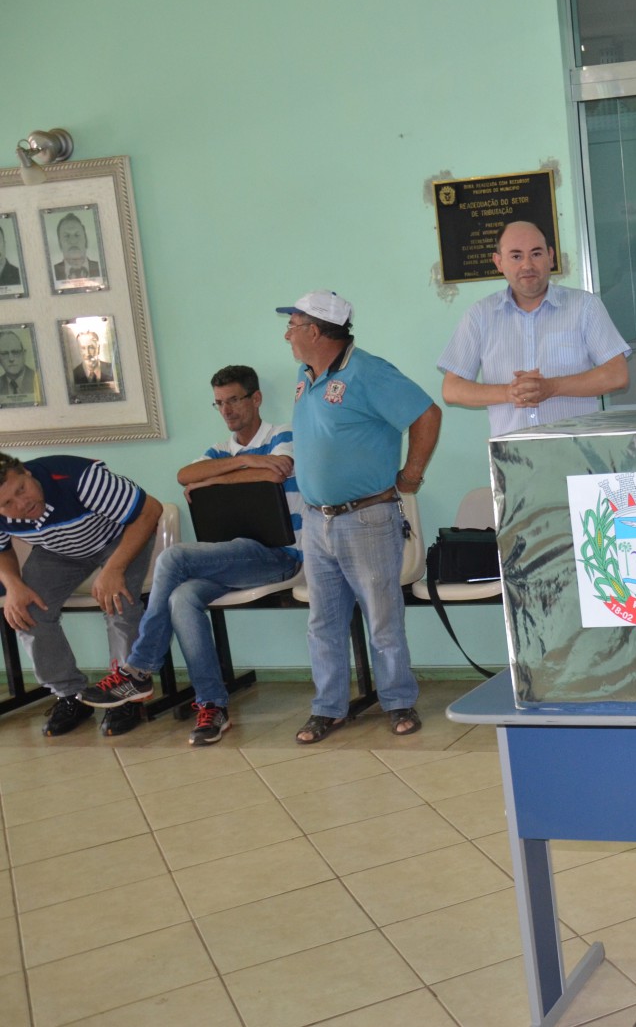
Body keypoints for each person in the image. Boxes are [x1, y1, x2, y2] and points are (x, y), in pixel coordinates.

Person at [77, 366, 303, 745]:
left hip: (280, 556)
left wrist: (213, 480)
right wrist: (245, 461)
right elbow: (185, 475)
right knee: (181, 597)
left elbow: (274, 475)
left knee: (173, 558)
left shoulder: (283, 434)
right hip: (230, 558)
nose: (226, 410)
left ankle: (139, 668)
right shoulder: (221, 449)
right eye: (219, 403)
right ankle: (212, 704)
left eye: (234, 400)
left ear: (256, 398)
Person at [280, 290, 441, 743]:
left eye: (292, 325)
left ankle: (398, 702)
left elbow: (427, 414)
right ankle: (328, 708)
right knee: (323, 622)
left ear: (315, 331)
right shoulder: (305, 375)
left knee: (382, 619)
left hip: (366, 519)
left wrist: (411, 475)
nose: (287, 334)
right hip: (317, 521)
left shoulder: (368, 371)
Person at [0, 451, 160, 736]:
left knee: (117, 600)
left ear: (26, 472)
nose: (22, 504)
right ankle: (70, 694)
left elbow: (150, 510)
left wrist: (114, 569)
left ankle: (125, 692)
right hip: (58, 551)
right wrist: (13, 585)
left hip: (118, 538)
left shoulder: (81, 478)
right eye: (7, 504)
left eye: (21, 489)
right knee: (27, 610)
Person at [440, 220, 630, 435]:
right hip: (512, 452)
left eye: (536, 254)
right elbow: (452, 389)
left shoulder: (585, 306)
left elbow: (617, 374)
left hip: (577, 449)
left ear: (550, 256)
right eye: (516, 256)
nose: (527, 265)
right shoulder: (479, 315)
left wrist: (552, 387)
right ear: (498, 262)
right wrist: (509, 393)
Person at [52, 213, 102, 282]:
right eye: (66, 236)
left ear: (86, 240)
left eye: (77, 235)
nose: (73, 241)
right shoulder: (52, 272)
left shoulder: (101, 267)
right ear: (60, 243)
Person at [0, 330, 39, 402]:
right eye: (4, 353)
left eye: (16, 352)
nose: (11, 359)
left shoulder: (38, 379)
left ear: (24, 354)